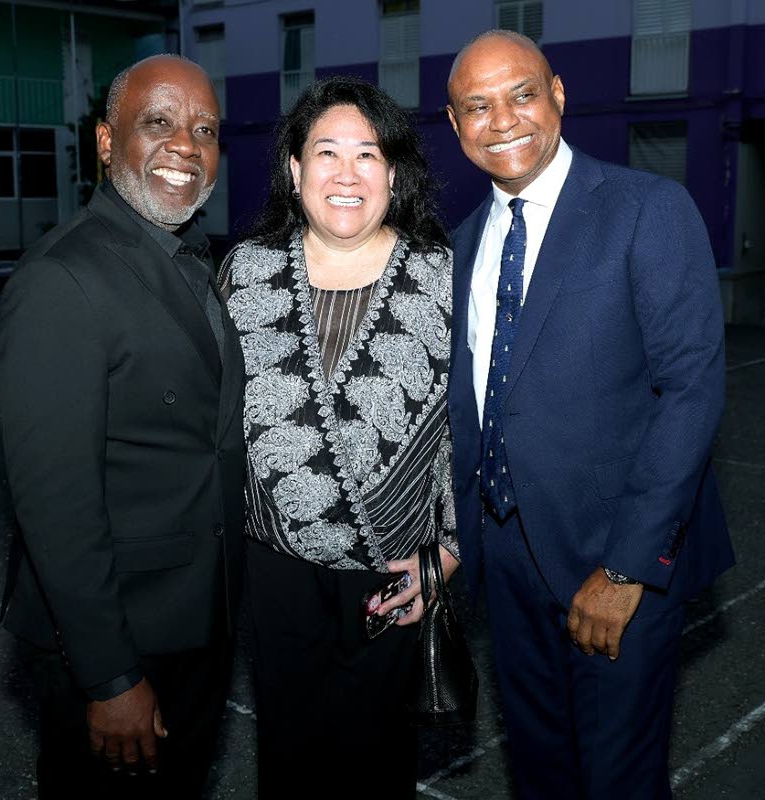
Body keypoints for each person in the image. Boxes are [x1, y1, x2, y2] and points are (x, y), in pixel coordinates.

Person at [444, 31, 734, 799]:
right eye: (478, 105)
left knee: (618, 781)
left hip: (611, 567)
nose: (502, 119)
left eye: (521, 94)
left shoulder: (647, 208)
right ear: (454, 124)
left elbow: (692, 391)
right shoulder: (459, 247)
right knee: (541, 775)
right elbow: (464, 414)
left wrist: (627, 568)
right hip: (505, 565)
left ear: (559, 96)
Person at [0, 55, 244, 799]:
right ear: (106, 143)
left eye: (204, 129)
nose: (186, 146)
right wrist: (109, 676)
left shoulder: (186, 258)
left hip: (194, 622)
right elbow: (54, 506)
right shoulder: (62, 280)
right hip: (118, 647)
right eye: (158, 123)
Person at [217, 76, 456, 799]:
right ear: (294, 170)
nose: (346, 174)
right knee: (288, 761)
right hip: (273, 572)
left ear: (394, 172)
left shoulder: (444, 275)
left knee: (377, 766)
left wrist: (447, 557)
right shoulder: (243, 271)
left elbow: (474, 435)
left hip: (395, 577)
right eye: (326, 153)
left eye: (368, 155)